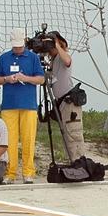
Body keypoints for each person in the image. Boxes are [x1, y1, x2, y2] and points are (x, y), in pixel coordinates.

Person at [0, 27, 45, 183]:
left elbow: (41, 79)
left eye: (19, 46)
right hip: (9, 105)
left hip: (28, 105)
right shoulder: (4, 58)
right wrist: (6, 79)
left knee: (28, 139)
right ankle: (10, 172)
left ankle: (28, 172)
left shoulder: (33, 57)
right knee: (10, 141)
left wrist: (25, 78)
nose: (17, 49)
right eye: (15, 46)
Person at [45, 32, 85, 162]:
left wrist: (56, 45)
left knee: (73, 134)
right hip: (61, 103)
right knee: (67, 136)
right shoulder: (54, 60)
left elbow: (68, 61)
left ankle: (79, 163)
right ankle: (72, 162)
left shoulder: (62, 56)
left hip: (69, 103)